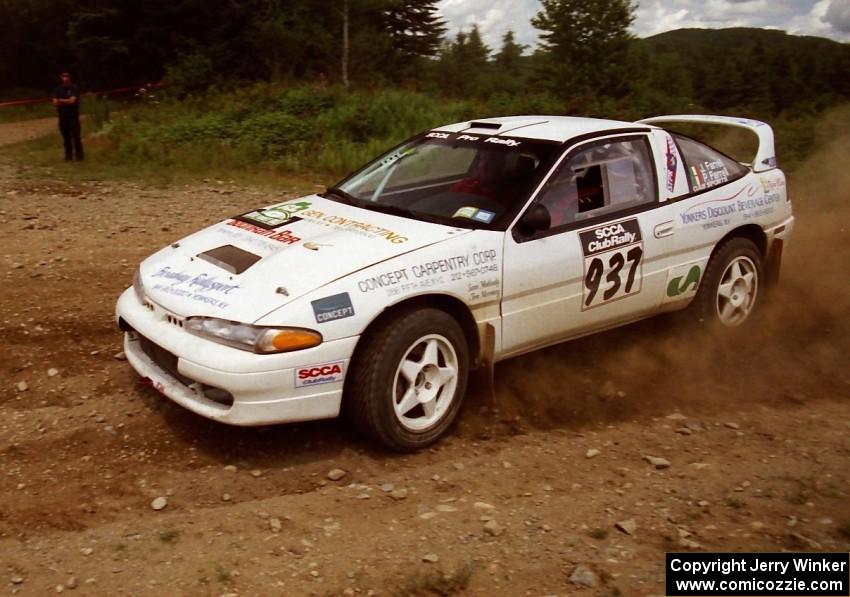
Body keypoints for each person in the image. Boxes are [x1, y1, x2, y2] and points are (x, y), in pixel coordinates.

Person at [52, 72, 84, 161]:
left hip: (73, 116)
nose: (65, 78)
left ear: (70, 77)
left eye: (67, 76)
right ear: (61, 77)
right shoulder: (57, 89)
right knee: (66, 138)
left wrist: (60, 100)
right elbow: (54, 102)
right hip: (62, 117)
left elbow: (72, 101)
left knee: (76, 137)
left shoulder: (74, 88)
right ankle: (68, 156)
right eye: (63, 76)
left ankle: (79, 156)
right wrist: (65, 101)